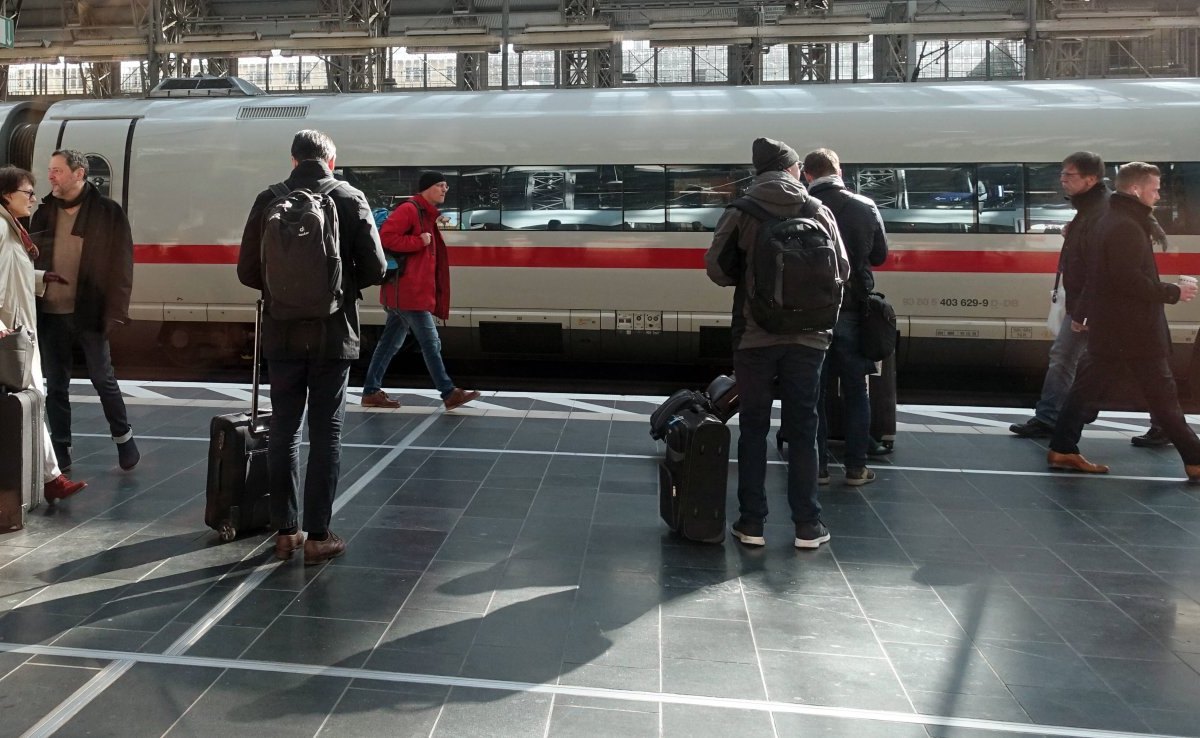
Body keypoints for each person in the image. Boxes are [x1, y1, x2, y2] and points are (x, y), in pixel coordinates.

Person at [238, 130, 386, 564]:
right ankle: (320, 535)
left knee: (284, 430)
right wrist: (336, 289)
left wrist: (285, 291)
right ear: (331, 160)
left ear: (292, 159)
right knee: (327, 433)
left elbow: (247, 271)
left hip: (281, 332)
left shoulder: (269, 198)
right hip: (333, 333)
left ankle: (287, 532)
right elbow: (377, 268)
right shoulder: (349, 196)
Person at [706, 137, 849, 548]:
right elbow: (842, 267)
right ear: (790, 169)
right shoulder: (817, 209)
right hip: (810, 338)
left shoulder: (741, 210)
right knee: (804, 427)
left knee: (753, 426)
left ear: (758, 171)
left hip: (755, 335)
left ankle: (752, 523)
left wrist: (752, 281)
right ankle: (808, 524)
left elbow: (716, 268)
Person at [1047, 162, 1200, 478]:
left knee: (1085, 390)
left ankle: (1062, 448)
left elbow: (1097, 274)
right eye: (1155, 189)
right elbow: (1126, 280)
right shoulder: (1127, 226)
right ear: (1135, 189)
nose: (1158, 196)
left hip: (1114, 327)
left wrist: (1083, 312)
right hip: (1134, 330)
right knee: (1164, 398)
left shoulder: (1113, 219)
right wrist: (1175, 291)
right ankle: (1196, 460)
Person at [30, 149, 138, 472]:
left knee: (102, 378)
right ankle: (61, 451)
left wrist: (116, 311)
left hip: (90, 313)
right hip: (51, 312)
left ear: (79, 174)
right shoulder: (44, 212)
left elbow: (122, 265)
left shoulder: (108, 213)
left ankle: (124, 439)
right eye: (50, 170)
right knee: (56, 385)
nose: (50, 176)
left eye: (58, 171)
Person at [802, 148, 889, 486]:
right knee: (856, 391)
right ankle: (856, 468)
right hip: (852, 310)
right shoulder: (864, 205)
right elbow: (879, 255)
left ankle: (819, 468)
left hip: (812, 312)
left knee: (814, 393)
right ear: (838, 171)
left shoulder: (801, 206)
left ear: (808, 174)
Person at [0, 166, 87, 502]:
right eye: (27, 192)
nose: (34, 199)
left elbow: (11, 274)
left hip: (19, 330)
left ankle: (51, 478)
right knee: (32, 400)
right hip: (12, 335)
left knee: (31, 402)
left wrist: (40, 278)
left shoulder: (11, 227)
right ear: (8, 194)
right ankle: (52, 479)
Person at [1009, 152, 1110, 441]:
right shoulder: (1090, 209)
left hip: (1092, 305)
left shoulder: (1099, 211)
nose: (1062, 180)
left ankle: (1059, 416)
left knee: (1124, 361)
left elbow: (1097, 267)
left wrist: (1084, 311)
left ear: (1090, 179)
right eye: (1062, 174)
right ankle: (1051, 416)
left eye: (1069, 175)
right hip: (1085, 302)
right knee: (1066, 356)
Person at [360, 171, 480, 411]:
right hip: (406, 293)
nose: (445, 189)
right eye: (440, 185)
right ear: (427, 188)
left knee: (389, 344)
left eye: (446, 186)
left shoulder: (426, 213)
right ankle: (448, 393)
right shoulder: (410, 210)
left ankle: (371, 392)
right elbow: (386, 238)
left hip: (406, 292)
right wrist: (419, 241)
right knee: (430, 341)